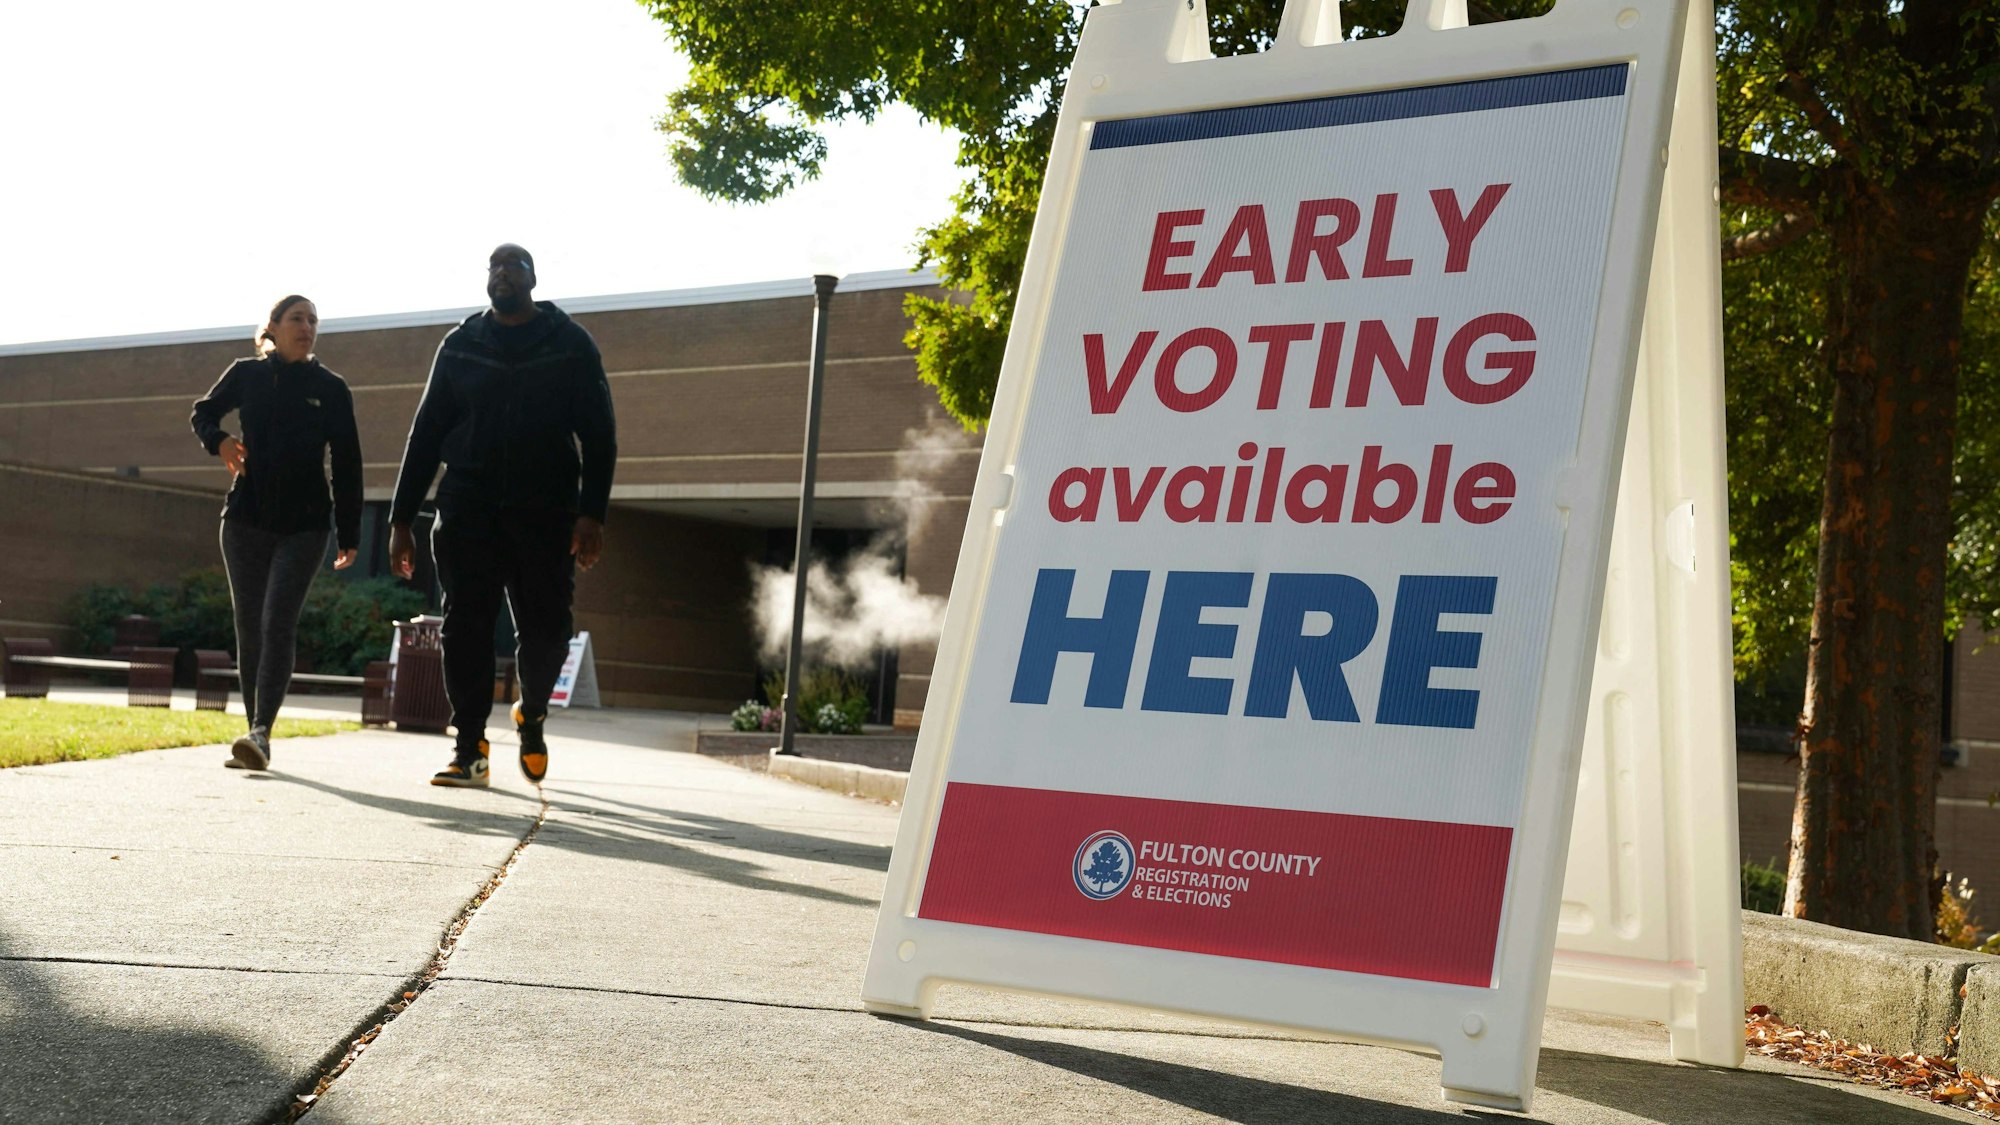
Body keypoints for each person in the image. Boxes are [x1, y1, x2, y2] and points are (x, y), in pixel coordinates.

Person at [387, 244, 616, 788]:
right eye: (495, 266)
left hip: (546, 513)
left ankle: (530, 713)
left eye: (514, 266)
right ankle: (470, 749)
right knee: (465, 627)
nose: (503, 273)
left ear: (533, 278)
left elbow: (600, 434)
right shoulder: (461, 346)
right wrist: (400, 520)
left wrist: (592, 514)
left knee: (547, 634)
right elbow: (425, 434)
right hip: (469, 508)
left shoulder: (570, 345)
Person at [190, 295, 362, 770]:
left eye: (312, 320)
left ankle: (261, 730)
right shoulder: (246, 374)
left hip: (304, 526)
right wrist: (219, 440)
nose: (306, 326)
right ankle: (255, 731)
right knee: (249, 627)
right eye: (296, 318)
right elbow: (202, 412)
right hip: (244, 520)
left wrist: (349, 531)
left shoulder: (331, 388)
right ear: (274, 327)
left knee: (277, 622)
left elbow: (347, 463)